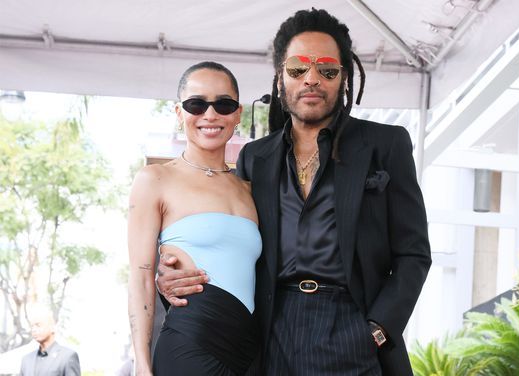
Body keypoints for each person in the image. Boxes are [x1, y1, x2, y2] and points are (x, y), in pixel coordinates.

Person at [157, 8, 432, 376]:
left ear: (344, 78)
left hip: (353, 329)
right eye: (298, 69)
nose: (312, 80)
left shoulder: (386, 144)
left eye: (327, 70)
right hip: (273, 333)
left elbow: (413, 253)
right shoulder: (256, 158)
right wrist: (174, 272)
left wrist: (377, 330)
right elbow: (235, 243)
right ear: (280, 77)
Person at [127, 61, 261, 376]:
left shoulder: (250, 188)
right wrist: (142, 365)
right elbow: (140, 275)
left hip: (250, 351)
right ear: (179, 113)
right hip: (190, 347)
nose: (210, 115)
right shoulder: (155, 179)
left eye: (223, 104)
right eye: (196, 104)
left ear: (238, 114)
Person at [20, 306, 80, 376]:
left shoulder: (67, 357)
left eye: (38, 325)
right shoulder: (26, 360)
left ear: (52, 327)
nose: (34, 329)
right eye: (32, 326)